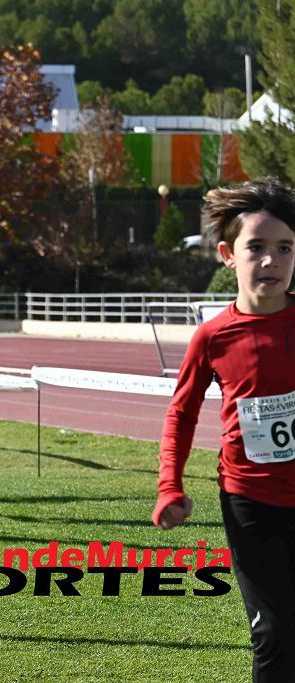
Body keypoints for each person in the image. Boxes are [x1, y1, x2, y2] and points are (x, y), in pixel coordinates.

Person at [153, 178, 295, 681]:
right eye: (256, 247)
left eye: (284, 248)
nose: (271, 261)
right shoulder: (213, 336)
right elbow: (182, 412)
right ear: (227, 254)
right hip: (250, 502)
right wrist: (170, 483)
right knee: (273, 633)